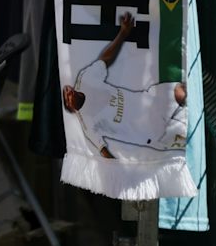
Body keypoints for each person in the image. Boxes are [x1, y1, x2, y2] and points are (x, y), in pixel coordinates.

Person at [62, 12, 189, 161]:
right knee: (192, 133)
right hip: (151, 132)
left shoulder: (85, 79)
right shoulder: (88, 124)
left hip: (151, 98)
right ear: (71, 108)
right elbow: (104, 152)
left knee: (181, 91)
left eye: (66, 89)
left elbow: (104, 59)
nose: (68, 90)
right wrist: (119, 173)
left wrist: (123, 33)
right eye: (66, 96)